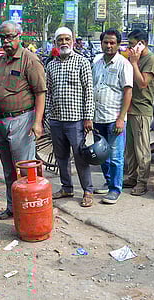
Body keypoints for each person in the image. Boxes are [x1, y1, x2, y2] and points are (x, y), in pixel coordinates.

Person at [0, 21, 46, 219]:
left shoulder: (29, 60)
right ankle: (12, 208)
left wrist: (37, 122)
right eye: (3, 37)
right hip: (0, 121)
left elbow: (40, 92)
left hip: (22, 120)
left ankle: (29, 211)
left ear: (19, 36)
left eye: (10, 37)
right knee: (7, 171)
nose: (6, 41)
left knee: (25, 171)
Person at [46, 27, 95, 207]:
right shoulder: (51, 65)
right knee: (61, 157)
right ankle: (67, 187)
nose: (64, 43)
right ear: (56, 43)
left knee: (80, 156)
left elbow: (89, 92)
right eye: (60, 40)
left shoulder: (82, 62)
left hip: (76, 120)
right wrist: (48, 116)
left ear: (73, 41)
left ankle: (87, 190)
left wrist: (88, 117)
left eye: (67, 39)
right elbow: (49, 93)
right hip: (57, 120)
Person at [92, 28, 133, 203]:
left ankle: (115, 189)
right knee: (101, 154)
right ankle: (108, 183)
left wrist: (121, 118)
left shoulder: (124, 64)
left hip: (114, 118)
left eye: (112, 43)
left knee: (116, 156)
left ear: (118, 45)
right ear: (101, 43)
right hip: (97, 117)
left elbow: (128, 92)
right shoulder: (97, 62)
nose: (109, 46)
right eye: (106, 42)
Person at [123, 29, 154, 196]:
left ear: (141, 44)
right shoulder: (133, 58)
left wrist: (134, 63)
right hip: (130, 108)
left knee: (141, 149)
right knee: (130, 149)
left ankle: (142, 181)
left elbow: (143, 82)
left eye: (132, 44)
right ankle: (131, 177)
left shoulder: (150, 60)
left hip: (142, 109)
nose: (130, 48)